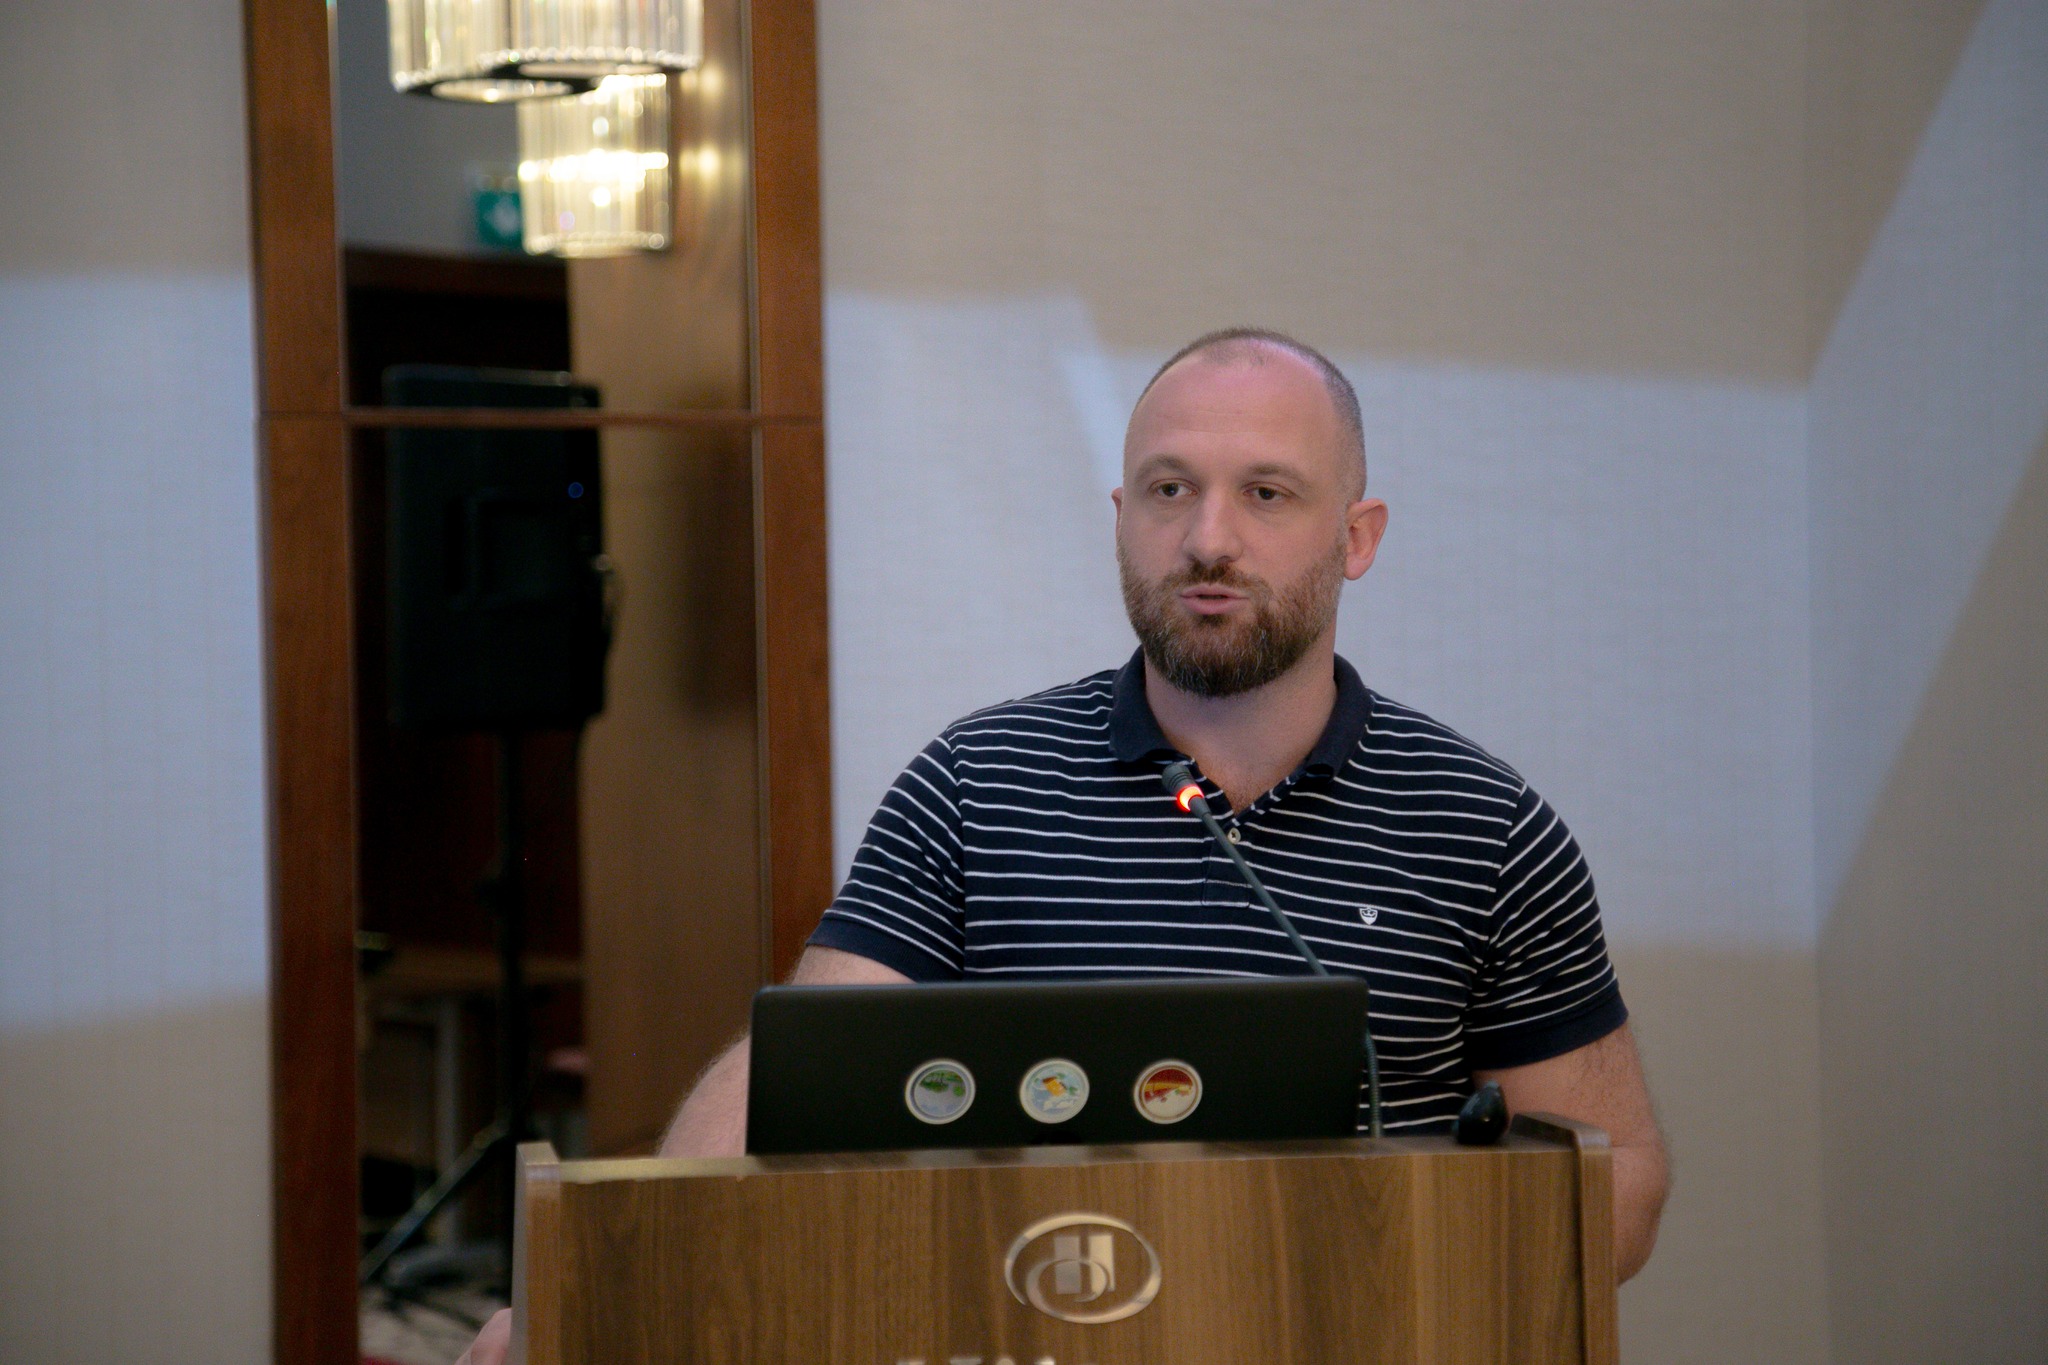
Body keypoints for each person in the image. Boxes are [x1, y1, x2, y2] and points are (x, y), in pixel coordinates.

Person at [457, 327, 1668, 1364]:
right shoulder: (974, 785)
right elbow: (799, 1087)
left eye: (1265, 493)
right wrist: (605, 1295)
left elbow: (1614, 1187)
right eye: (1167, 489)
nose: (1207, 538)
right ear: (1121, 519)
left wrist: (1410, 1261)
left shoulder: (1482, 825)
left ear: (1355, 536)